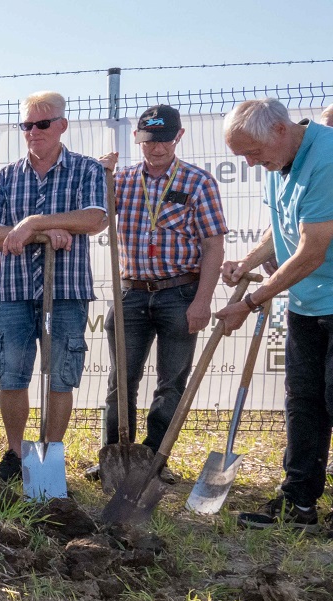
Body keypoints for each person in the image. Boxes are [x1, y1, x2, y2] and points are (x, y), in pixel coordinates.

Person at [214, 98, 333, 532]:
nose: (249, 163)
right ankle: (298, 503)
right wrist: (247, 262)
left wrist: (250, 302)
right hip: (307, 304)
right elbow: (281, 224)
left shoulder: (327, 158)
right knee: (303, 403)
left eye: (251, 153)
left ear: (280, 131)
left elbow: (311, 250)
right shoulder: (280, 161)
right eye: (241, 155)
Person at [0, 91, 107, 484]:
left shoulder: (86, 169)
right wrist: (41, 232)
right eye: (27, 125)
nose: (33, 132)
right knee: (12, 376)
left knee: (60, 376)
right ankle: (17, 455)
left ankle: (50, 455)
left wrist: (32, 221)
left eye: (43, 124)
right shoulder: (7, 175)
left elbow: (94, 219)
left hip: (66, 292)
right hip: (15, 292)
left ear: (62, 125)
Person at [94, 105, 226, 473]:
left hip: (180, 293)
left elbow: (214, 245)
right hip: (131, 293)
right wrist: (97, 176)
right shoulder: (118, 181)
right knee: (121, 380)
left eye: (165, 140)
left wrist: (203, 301)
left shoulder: (198, 182)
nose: (157, 149)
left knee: (171, 383)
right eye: (150, 141)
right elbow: (91, 220)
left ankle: (154, 459)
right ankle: (116, 457)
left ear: (178, 137)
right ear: (138, 139)